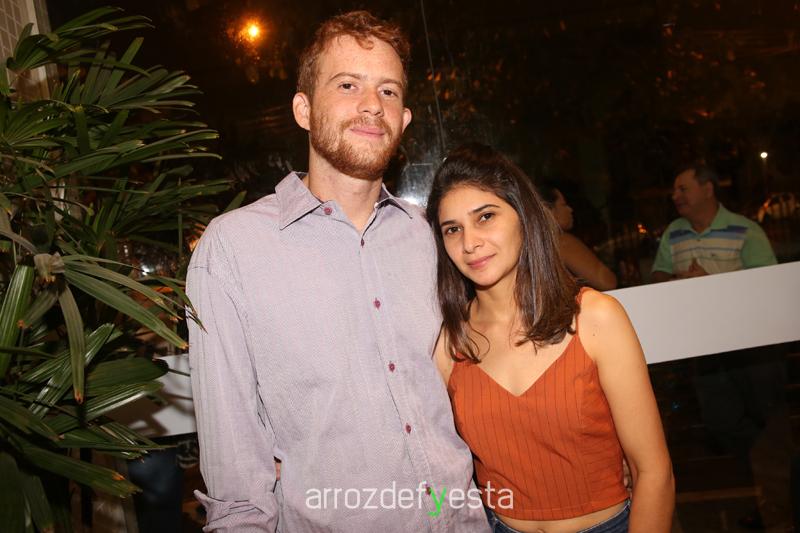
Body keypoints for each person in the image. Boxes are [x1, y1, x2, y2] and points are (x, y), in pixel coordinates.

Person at [187, 12, 489, 532]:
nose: (372, 104)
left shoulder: (431, 237)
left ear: (404, 119)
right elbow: (237, 490)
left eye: (388, 91)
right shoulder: (233, 250)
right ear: (303, 109)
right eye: (348, 85)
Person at [426, 144, 674, 533]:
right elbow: (437, 474)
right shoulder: (450, 343)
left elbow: (653, 473)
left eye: (486, 217)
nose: (469, 242)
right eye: (452, 229)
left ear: (523, 217)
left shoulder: (595, 318)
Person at [651, 164, 776, 282]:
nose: (674, 196)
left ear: (708, 190)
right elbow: (659, 274)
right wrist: (673, 280)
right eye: (674, 191)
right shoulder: (672, 231)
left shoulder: (747, 230)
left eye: (683, 189)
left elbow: (766, 282)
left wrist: (710, 282)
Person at [538, 182, 617, 290]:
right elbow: (607, 282)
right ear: (548, 210)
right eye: (564, 204)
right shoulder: (561, 241)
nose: (570, 209)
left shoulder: (537, 246)